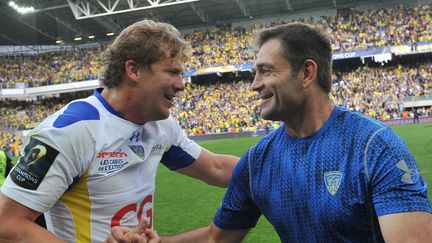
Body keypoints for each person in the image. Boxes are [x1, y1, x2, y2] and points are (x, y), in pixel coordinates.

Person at [117, 22, 431, 242]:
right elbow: (217, 238)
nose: (254, 85)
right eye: (254, 73)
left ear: (307, 72)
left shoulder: (373, 147)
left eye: (266, 71)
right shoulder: (258, 162)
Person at [0, 19, 238, 243]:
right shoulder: (70, 130)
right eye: (172, 72)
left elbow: (216, 168)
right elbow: (7, 225)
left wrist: (272, 163)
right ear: (133, 70)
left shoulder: (160, 124)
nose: (181, 84)